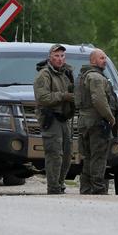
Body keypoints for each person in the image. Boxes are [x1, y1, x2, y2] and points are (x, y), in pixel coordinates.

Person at [33, 44, 76, 195]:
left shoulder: (66, 73)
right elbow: (43, 98)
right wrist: (64, 96)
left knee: (67, 153)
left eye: (62, 56)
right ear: (50, 57)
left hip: (64, 118)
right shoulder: (44, 75)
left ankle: (60, 183)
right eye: (56, 56)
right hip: (51, 119)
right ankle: (53, 187)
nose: (60, 59)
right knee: (54, 154)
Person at [77, 49, 118, 195]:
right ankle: (98, 189)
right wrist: (110, 118)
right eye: (101, 58)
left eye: (105, 58)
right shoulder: (96, 77)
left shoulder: (84, 76)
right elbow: (99, 100)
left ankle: (86, 189)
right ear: (93, 61)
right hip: (96, 122)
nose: (104, 60)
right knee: (98, 156)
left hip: (85, 121)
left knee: (88, 156)